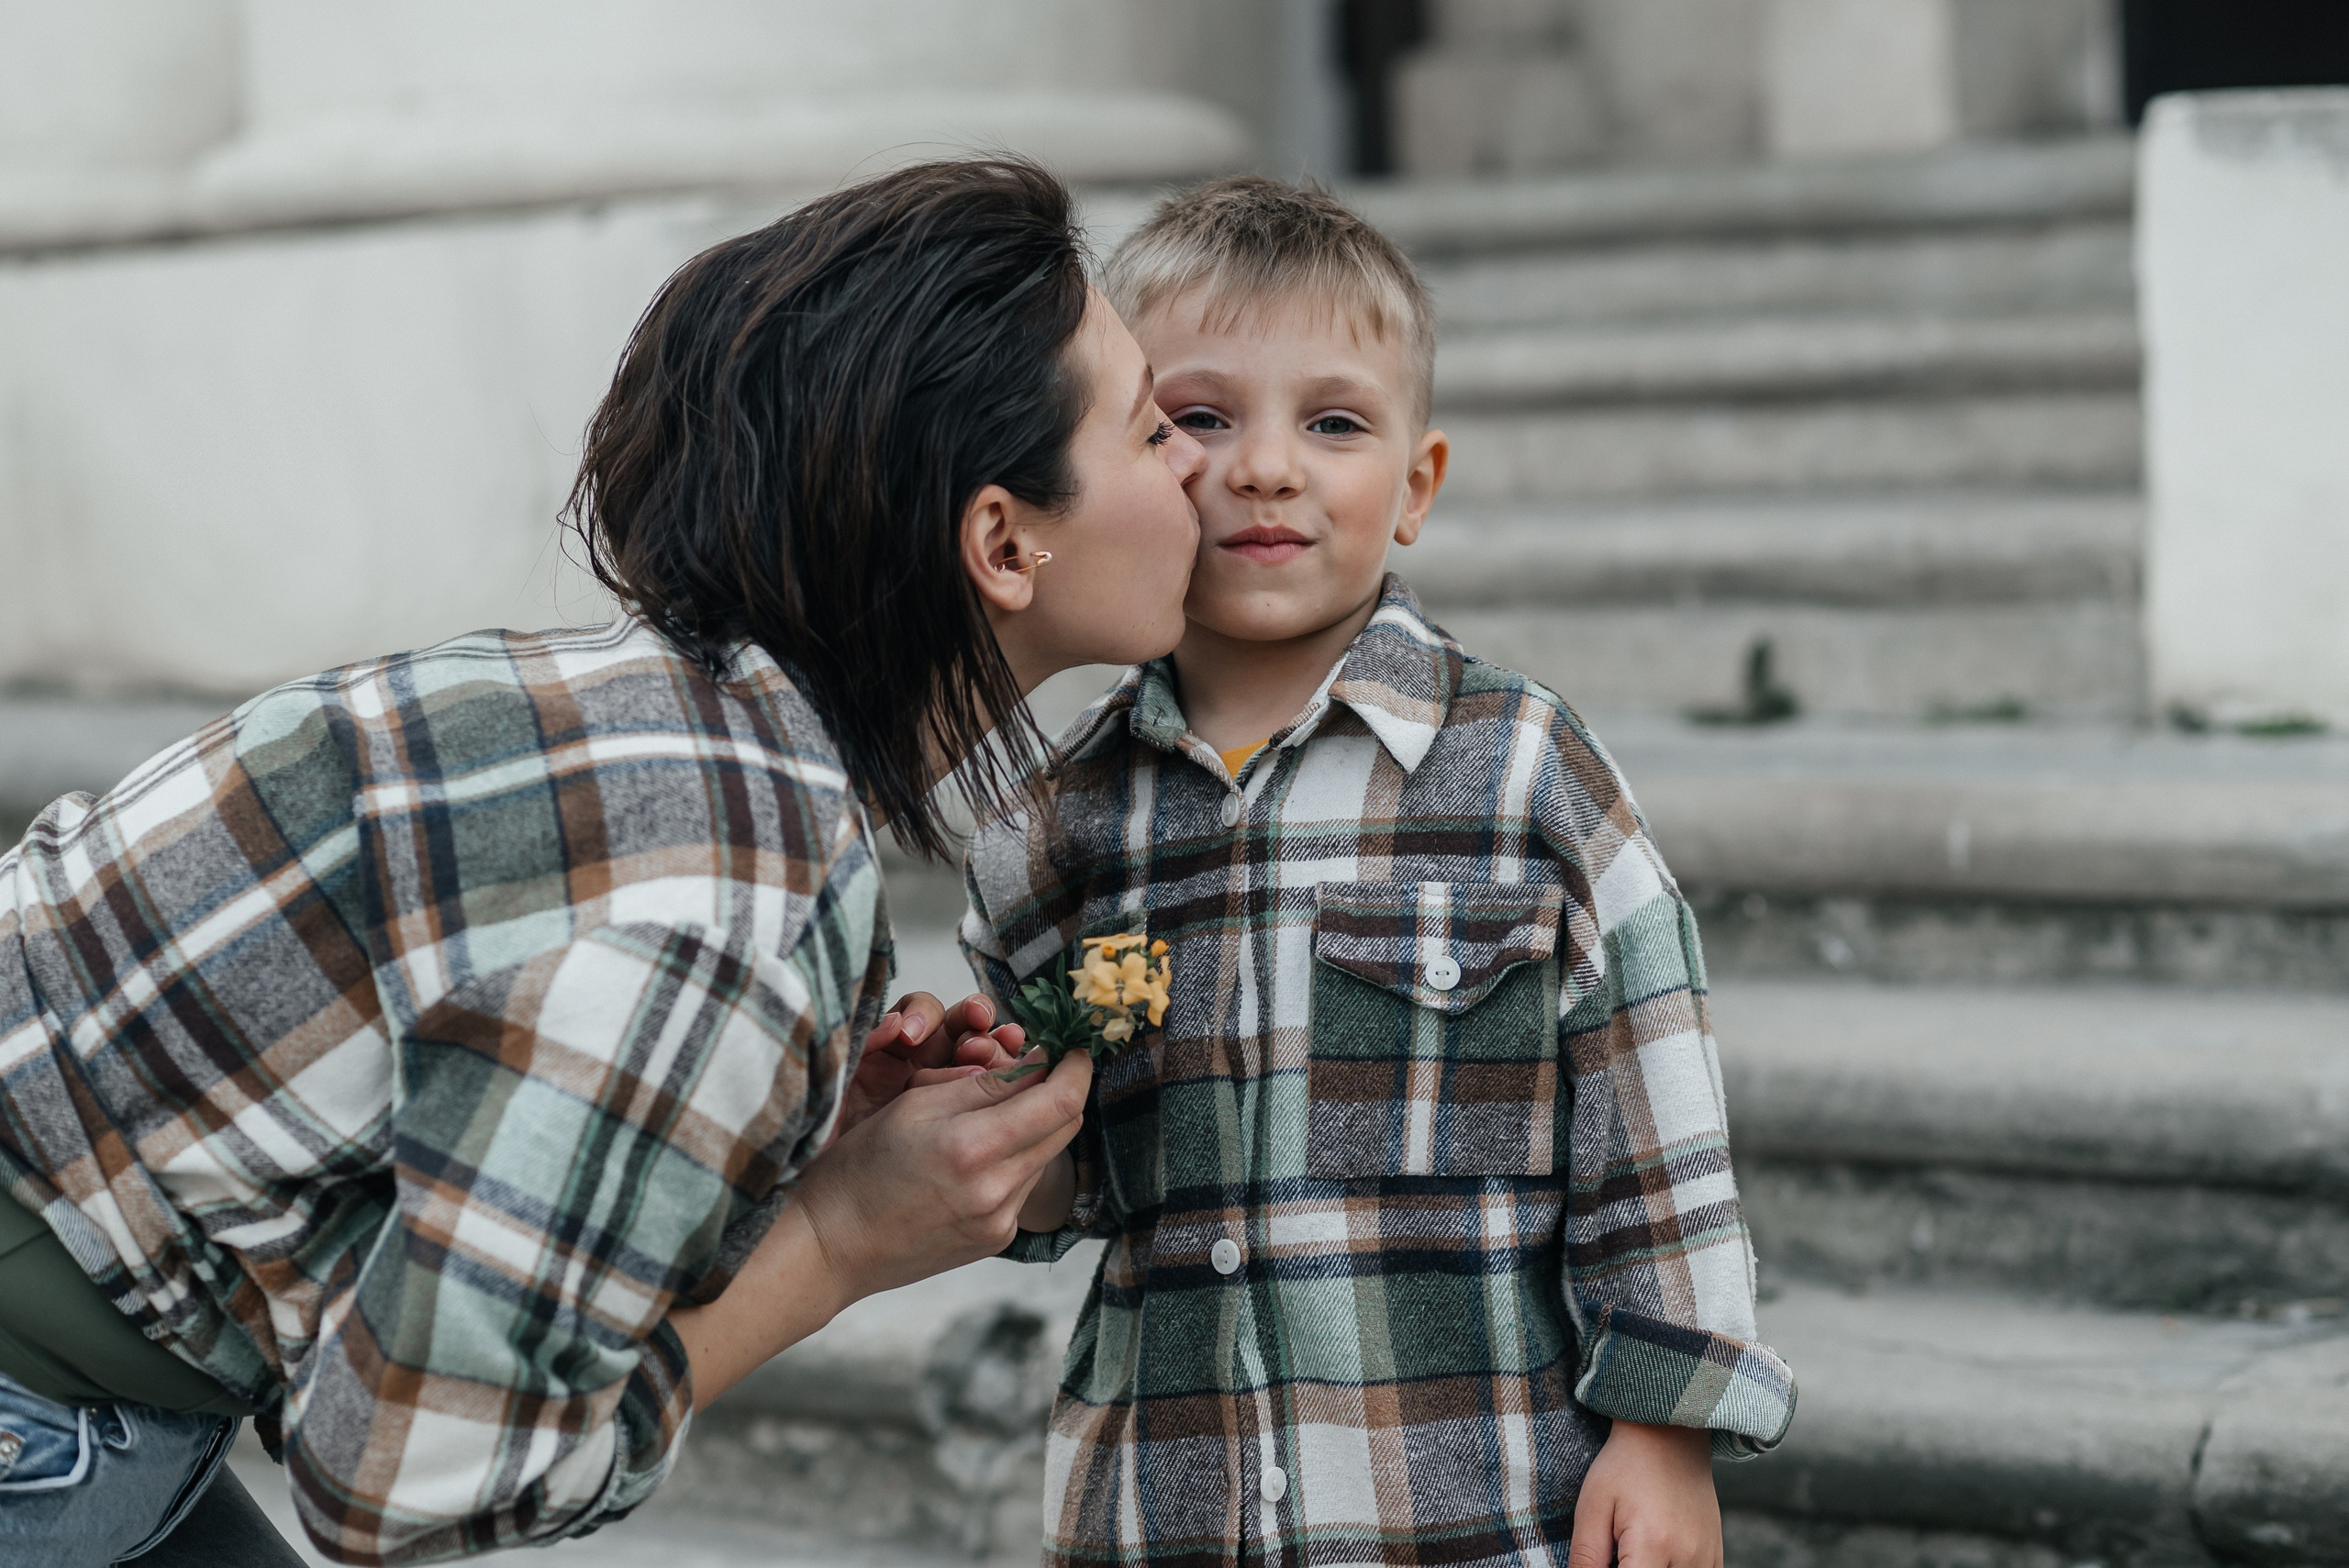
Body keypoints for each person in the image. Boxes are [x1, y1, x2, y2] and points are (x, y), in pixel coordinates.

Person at [0, 156, 1206, 1564]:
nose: (1202, 456)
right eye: (1148, 428)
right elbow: (404, 1478)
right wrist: (836, 1237)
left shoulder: (642, 718)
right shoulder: (718, 897)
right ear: (1003, 542)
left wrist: (766, 1134)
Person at [954, 177, 1797, 1567]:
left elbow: (1653, 1104)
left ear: (1416, 485)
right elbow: (1075, 1183)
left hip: (1465, 1502)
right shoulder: (1054, 826)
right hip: (1163, 1503)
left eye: (1332, 422)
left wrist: (1666, 1424)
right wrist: (984, 1111)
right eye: (1196, 419)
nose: (1266, 467)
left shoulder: (1520, 768)